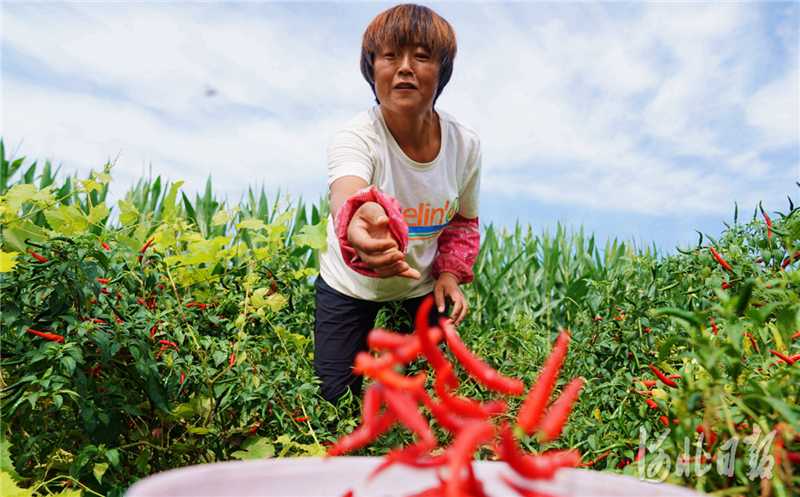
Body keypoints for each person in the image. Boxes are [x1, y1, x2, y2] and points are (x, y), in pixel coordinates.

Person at [314, 3, 482, 404]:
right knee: (335, 400)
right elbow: (347, 192)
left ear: (442, 72)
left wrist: (449, 275)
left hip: (420, 287)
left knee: (437, 394)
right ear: (372, 69)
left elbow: (463, 222)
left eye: (422, 57)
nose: (405, 67)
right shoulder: (355, 138)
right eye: (390, 55)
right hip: (349, 287)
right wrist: (358, 216)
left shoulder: (465, 145)